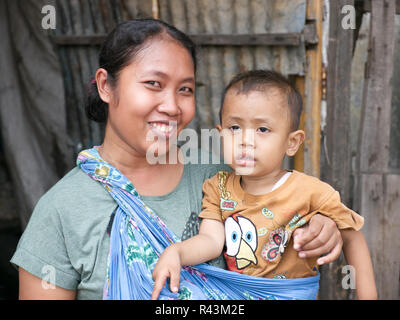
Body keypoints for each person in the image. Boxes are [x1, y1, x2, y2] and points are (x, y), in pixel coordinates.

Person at [11, 19, 343, 300]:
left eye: (185, 89)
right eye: (153, 84)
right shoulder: (61, 211)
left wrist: (319, 227)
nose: (172, 106)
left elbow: (285, 216)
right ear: (105, 86)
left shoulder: (224, 177)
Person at [152, 70, 377, 300]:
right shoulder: (218, 188)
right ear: (220, 135)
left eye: (262, 129)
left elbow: (353, 238)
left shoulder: (311, 192)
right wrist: (176, 252)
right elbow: (211, 241)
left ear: (292, 143)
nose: (245, 141)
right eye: (235, 128)